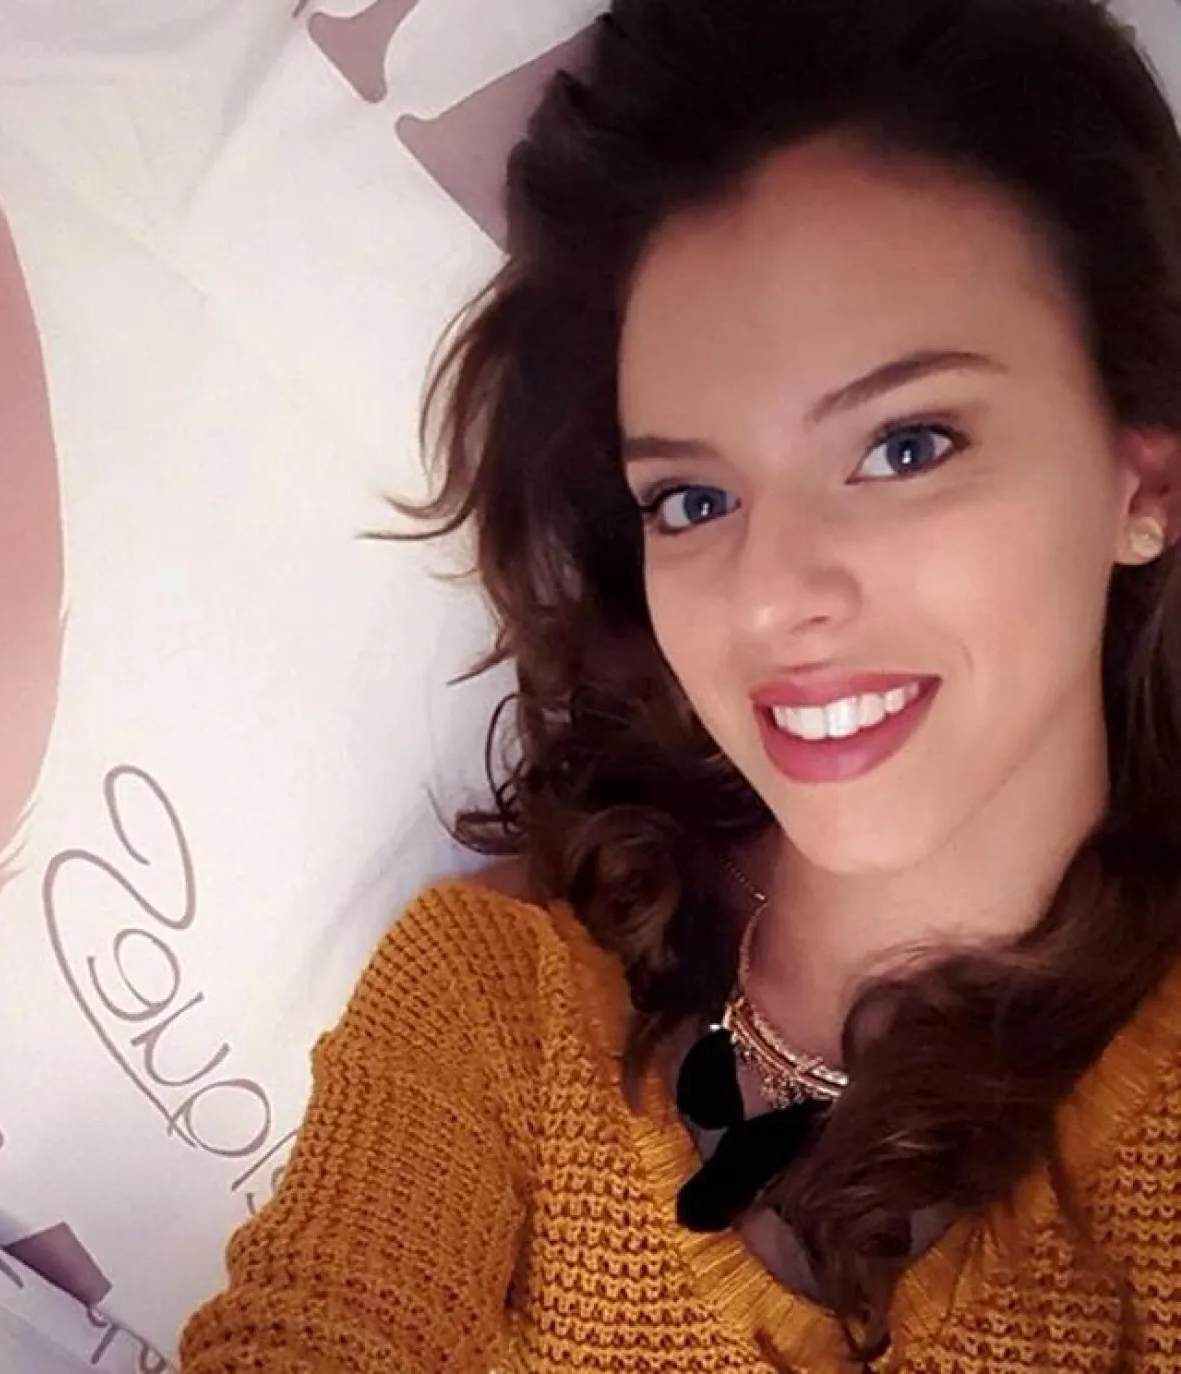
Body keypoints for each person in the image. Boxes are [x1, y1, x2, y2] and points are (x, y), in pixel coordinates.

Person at [177, 0, 1181, 1368]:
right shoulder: (503, 1005)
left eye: (904, 446)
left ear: (1145, 477)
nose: (768, 596)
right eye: (694, 497)